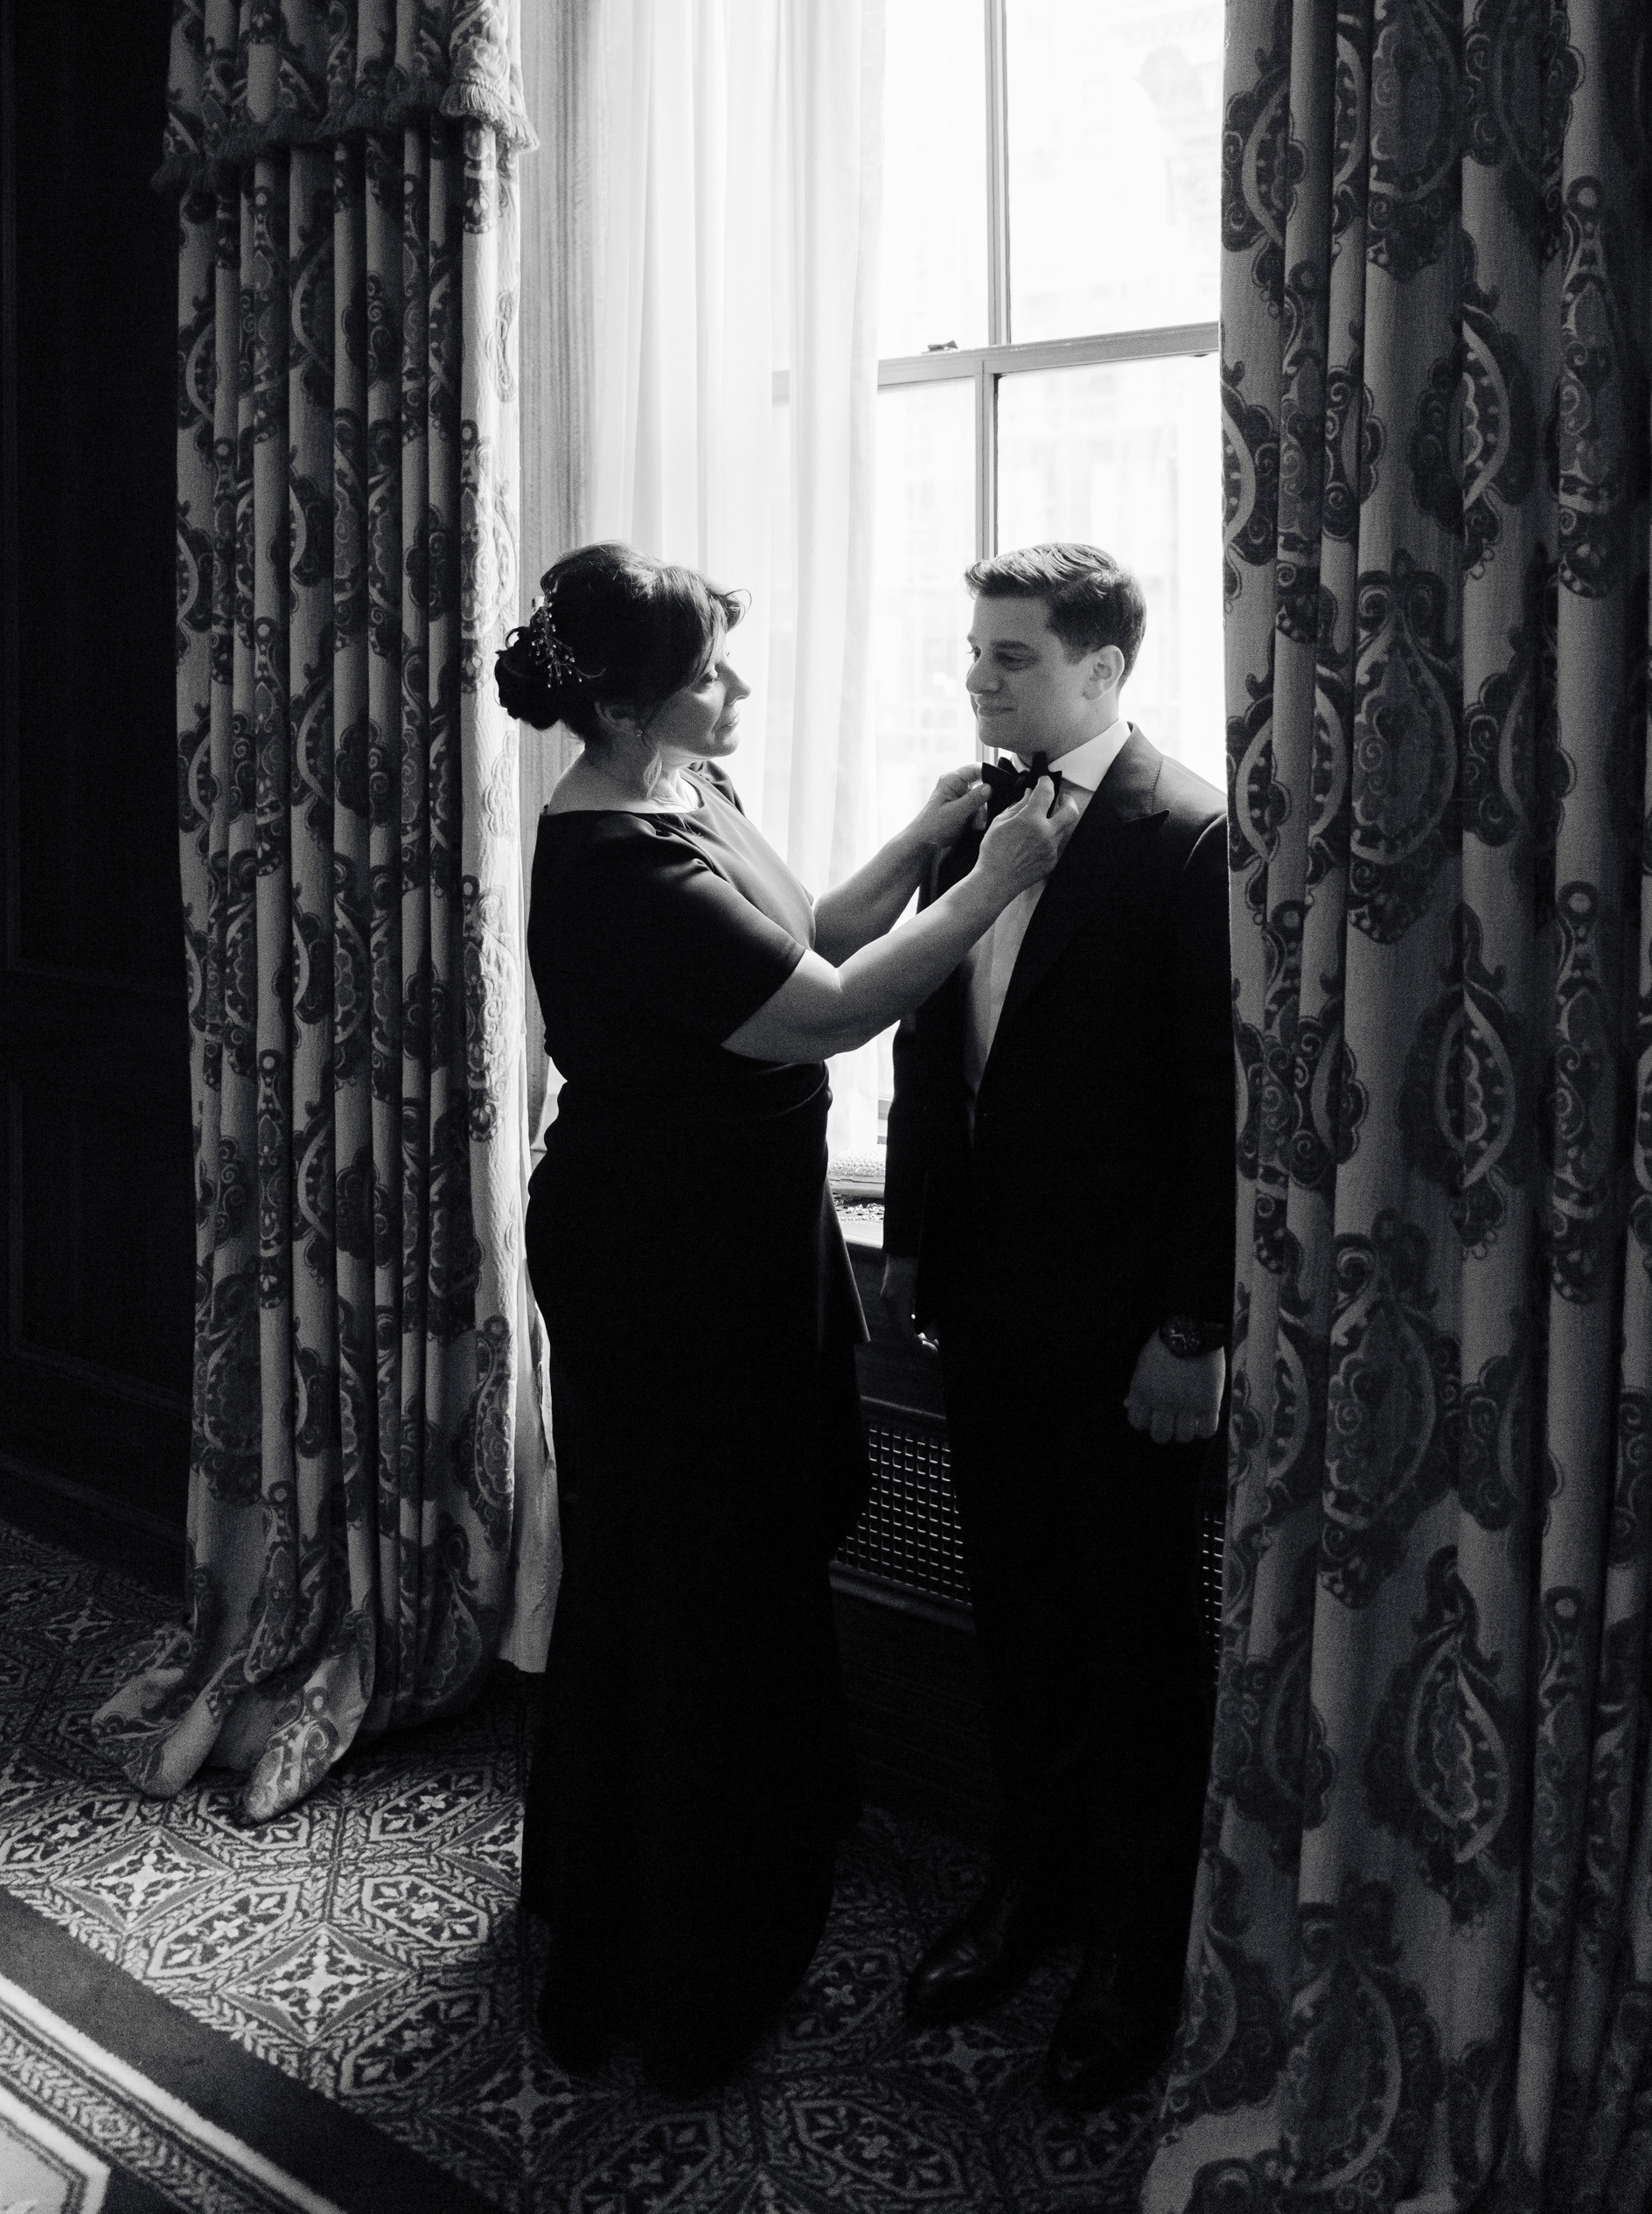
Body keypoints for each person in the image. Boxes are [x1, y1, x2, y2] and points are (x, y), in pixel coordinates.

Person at [498, 539, 1078, 2095]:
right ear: (626, 707)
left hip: (742, 1236)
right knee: (680, 1568)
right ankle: (674, 1917)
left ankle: (718, 1841)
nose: (737, 689)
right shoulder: (615, 865)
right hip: (658, 1256)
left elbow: (813, 924)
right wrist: (1004, 876)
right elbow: (828, 1010)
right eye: (710, 676)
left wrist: (935, 826)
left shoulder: (684, 800)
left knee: (737, 1546)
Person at [880, 541, 1233, 2109]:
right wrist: (913, 1242)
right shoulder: (972, 811)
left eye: (1010, 655)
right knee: (1017, 1620)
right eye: (975, 650)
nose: (979, 675)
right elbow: (924, 1044)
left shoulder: (1190, 831)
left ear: (1102, 668)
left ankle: (1135, 1959)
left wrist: (1192, 1323)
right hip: (982, 1311)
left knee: (1140, 1646)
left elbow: (1219, 1109)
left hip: (1126, 1338)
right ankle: (1029, 1896)